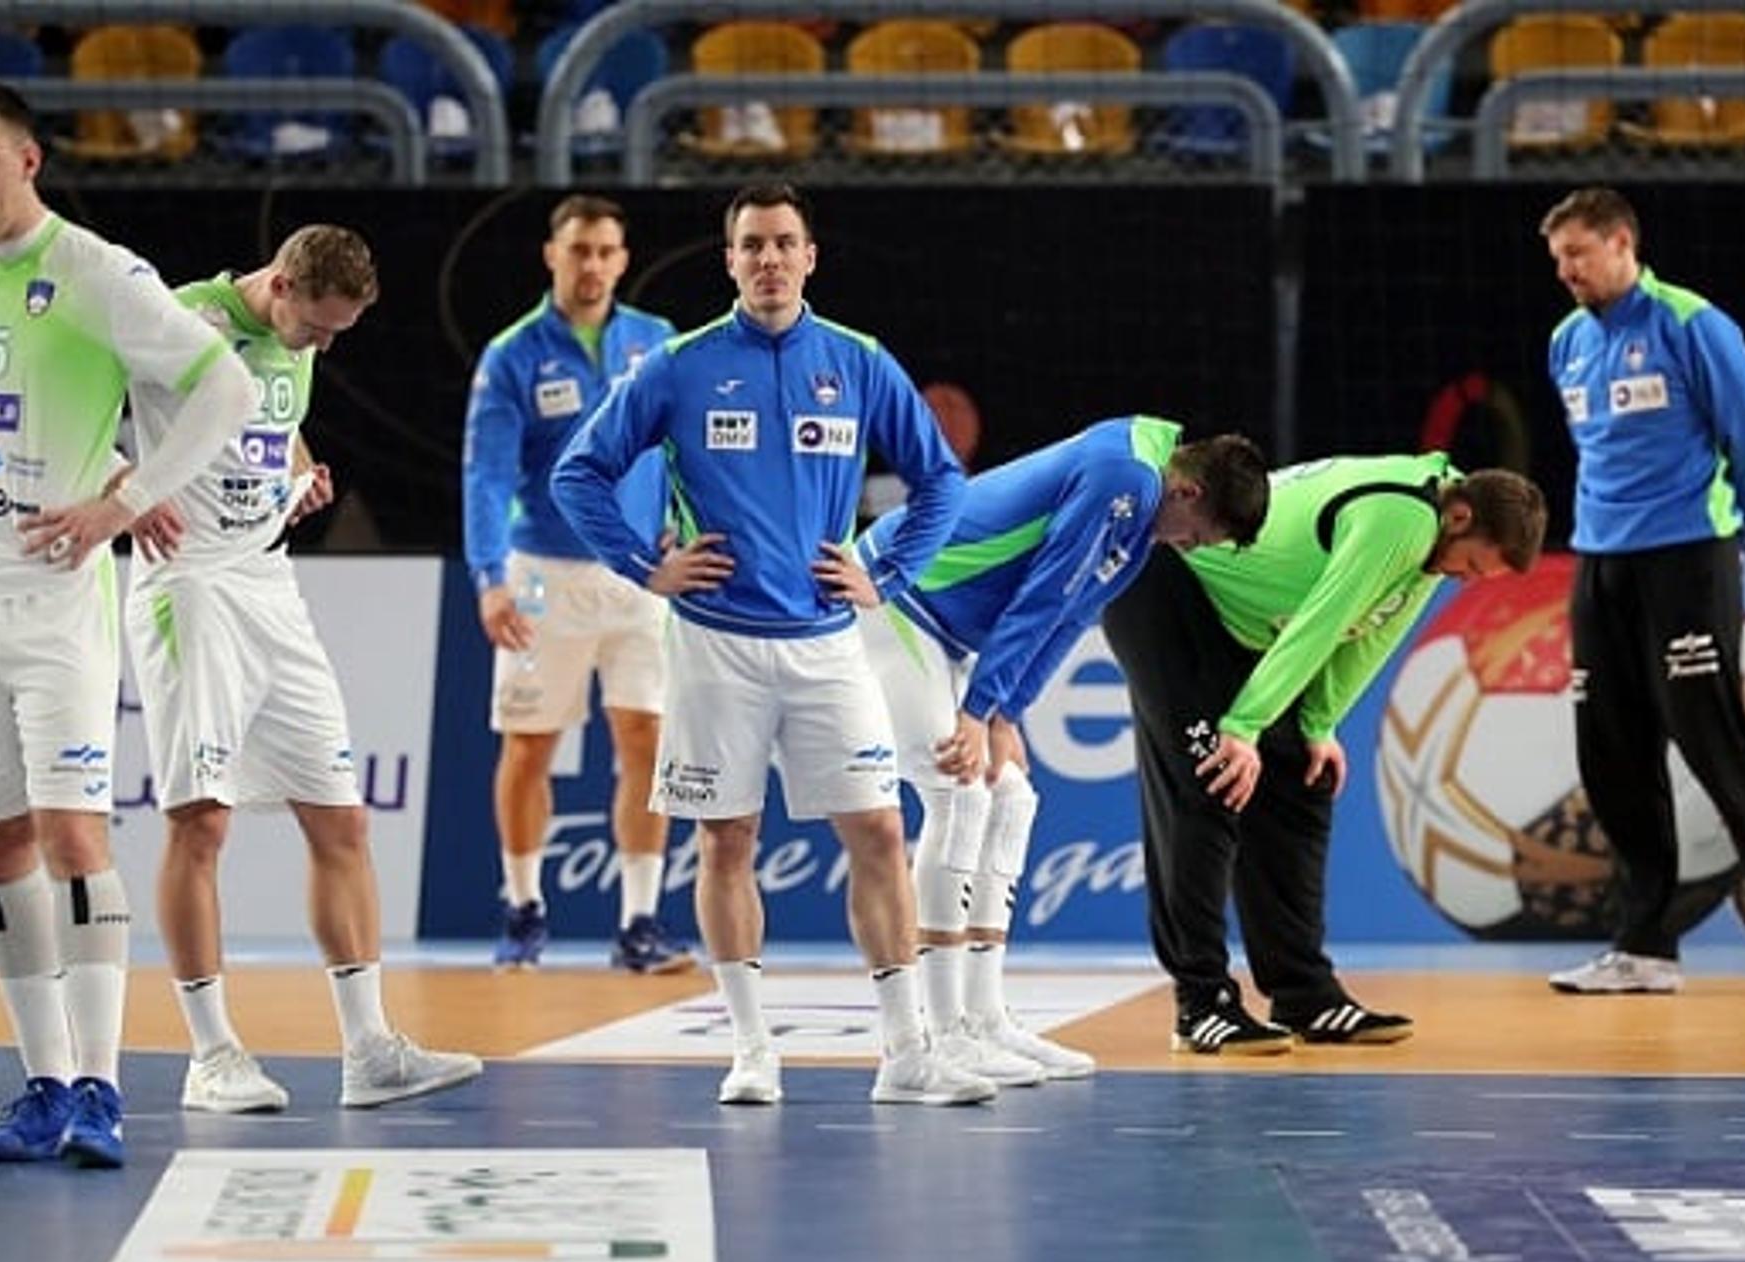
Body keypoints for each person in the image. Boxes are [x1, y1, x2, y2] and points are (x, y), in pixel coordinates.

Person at [553, 183, 991, 1107]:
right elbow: (577, 473)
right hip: (715, 644)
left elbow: (939, 482)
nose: (768, 260)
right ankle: (751, 1047)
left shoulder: (859, 362)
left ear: (810, 256)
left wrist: (890, 573)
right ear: (729, 260)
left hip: (830, 641)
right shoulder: (678, 365)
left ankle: (908, 1050)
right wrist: (646, 565)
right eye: (751, 245)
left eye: (784, 243)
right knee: (726, 841)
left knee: (878, 828)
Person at [0, 81, 257, 1167]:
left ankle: (104, 1090)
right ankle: (43, 1087)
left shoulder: (98, 272)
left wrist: (123, 497)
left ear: (30, 162)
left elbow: (226, 392)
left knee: (72, 836)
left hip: (58, 597)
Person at [123, 226, 483, 1114]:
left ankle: (371, 1049)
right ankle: (211, 1056)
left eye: (337, 334)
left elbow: (270, 416)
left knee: (343, 819)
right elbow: (80, 408)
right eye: (316, 328)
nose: (324, 346)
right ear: (279, 284)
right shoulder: (178, 321)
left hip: (269, 584)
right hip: (190, 588)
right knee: (200, 824)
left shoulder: (299, 337)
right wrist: (124, 487)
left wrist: (298, 466)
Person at [856, 418, 1269, 1085]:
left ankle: (983, 1017)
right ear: (1188, 492)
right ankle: (940, 1032)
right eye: (1197, 534)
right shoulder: (1125, 479)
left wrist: (1006, 712)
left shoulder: (1144, 503)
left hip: (948, 631)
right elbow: (1042, 594)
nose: (1190, 548)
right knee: (959, 792)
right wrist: (977, 709)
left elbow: (1075, 616)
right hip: (897, 597)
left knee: (1012, 797)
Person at [1104, 454, 1547, 1054]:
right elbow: (1322, 620)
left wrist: (1318, 723)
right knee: (1210, 776)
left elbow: (1374, 634)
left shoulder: (1433, 539)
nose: (1465, 578)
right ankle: (1200, 1003)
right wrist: (1243, 726)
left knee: (1301, 777)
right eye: (1471, 565)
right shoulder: (1400, 517)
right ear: (1461, 516)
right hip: (1169, 586)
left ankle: (1304, 993)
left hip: (1244, 625)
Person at [1538, 187, 1745, 992]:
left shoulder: (1693, 323)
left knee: (1713, 741)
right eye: (1558, 259)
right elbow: (1591, 452)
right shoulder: (1567, 342)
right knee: (1611, 752)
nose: (1567, 271)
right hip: (1600, 564)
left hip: (1687, 556)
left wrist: (1727, 540)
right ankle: (1646, 947)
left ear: (1623, 243)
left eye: (1579, 254)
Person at [463, 194, 691, 975]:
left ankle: (639, 923)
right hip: (542, 575)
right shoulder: (514, 354)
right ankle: (523, 908)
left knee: (647, 743)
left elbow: (685, 451)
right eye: (578, 250)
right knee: (530, 745)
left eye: (605, 251)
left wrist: (682, 530)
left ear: (623, 260)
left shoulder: (656, 343)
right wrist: (490, 577)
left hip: (639, 576)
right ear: (551, 255)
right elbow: (488, 477)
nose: (591, 264)